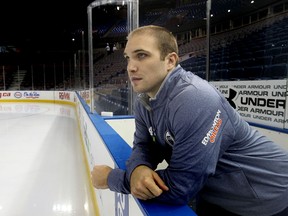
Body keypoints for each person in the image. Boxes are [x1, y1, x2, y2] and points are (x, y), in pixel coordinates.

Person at [91, 25, 288, 216]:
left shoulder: (195, 98)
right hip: (215, 195)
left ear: (170, 61)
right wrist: (138, 169)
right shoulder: (145, 99)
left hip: (268, 195)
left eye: (142, 55)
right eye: (128, 58)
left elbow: (181, 186)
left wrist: (113, 179)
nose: (131, 67)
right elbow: (144, 145)